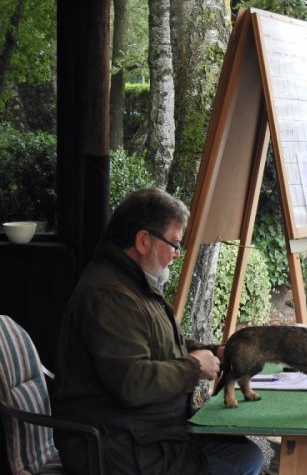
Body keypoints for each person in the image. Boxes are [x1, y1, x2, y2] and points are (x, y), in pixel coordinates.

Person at [53, 187, 264, 475]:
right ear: (143, 240)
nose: (177, 255)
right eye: (175, 244)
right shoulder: (109, 296)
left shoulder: (130, 283)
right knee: (241, 460)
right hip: (116, 447)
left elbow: (158, 346)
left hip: (144, 434)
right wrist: (192, 368)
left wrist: (217, 352)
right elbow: (133, 383)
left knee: (243, 451)